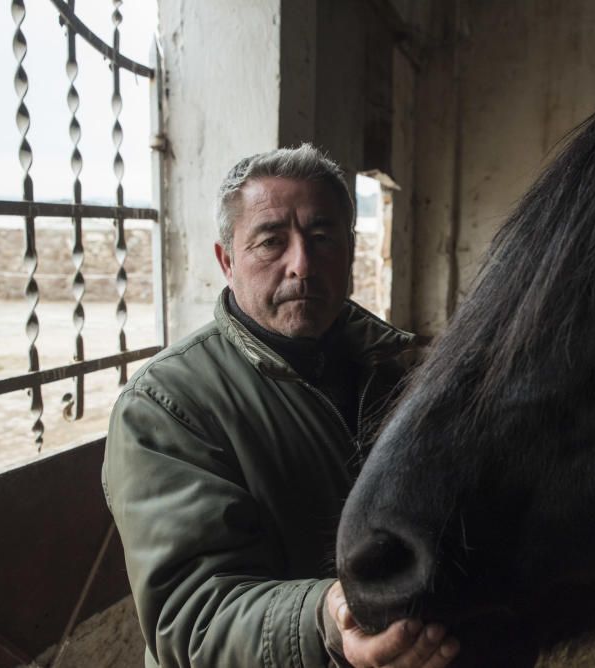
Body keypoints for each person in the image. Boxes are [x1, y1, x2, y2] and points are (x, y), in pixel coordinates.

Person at [103, 144, 459, 668]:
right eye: (271, 241)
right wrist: (327, 622)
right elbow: (193, 619)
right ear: (227, 261)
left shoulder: (397, 371)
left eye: (323, 238)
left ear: (349, 251)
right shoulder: (165, 407)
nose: (303, 265)